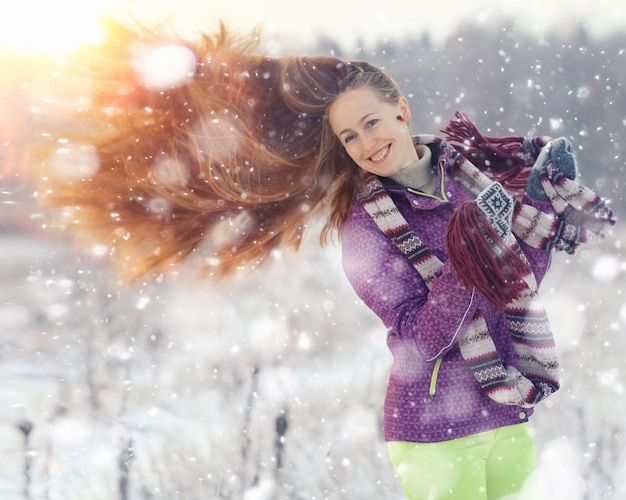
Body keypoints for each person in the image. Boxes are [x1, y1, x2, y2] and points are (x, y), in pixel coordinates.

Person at [40, 22, 615, 499]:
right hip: (436, 430)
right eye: (349, 137)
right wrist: (465, 267)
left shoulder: (470, 180)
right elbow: (419, 340)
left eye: (371, 123)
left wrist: (538, 199)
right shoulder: (367, 230)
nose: (366, 143)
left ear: (401, 111)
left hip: (508, 409)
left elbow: (520, 285)